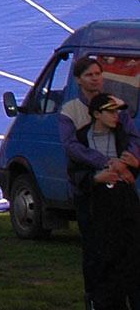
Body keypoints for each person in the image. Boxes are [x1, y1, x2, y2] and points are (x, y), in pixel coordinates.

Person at [68, 89, 140, 310]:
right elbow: (75, 173)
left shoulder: (123, 136)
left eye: (117, 111)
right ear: (96, 114)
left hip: (125, 202)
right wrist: (96, 178)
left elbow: (132, 168)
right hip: (99, 204)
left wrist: (134, 165)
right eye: (109, 112)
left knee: (133, 253)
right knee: (104, 257)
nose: (115, 116)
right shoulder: (82, 139)